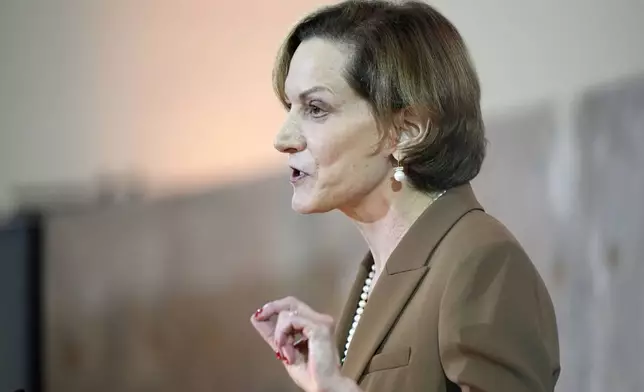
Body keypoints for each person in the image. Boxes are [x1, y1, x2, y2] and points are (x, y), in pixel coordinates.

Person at [250, 1, 561, 391]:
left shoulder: (481, 261)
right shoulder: (375, 271)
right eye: (290, 107)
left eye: (316, 108)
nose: (283, 139)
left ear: (407, 131)